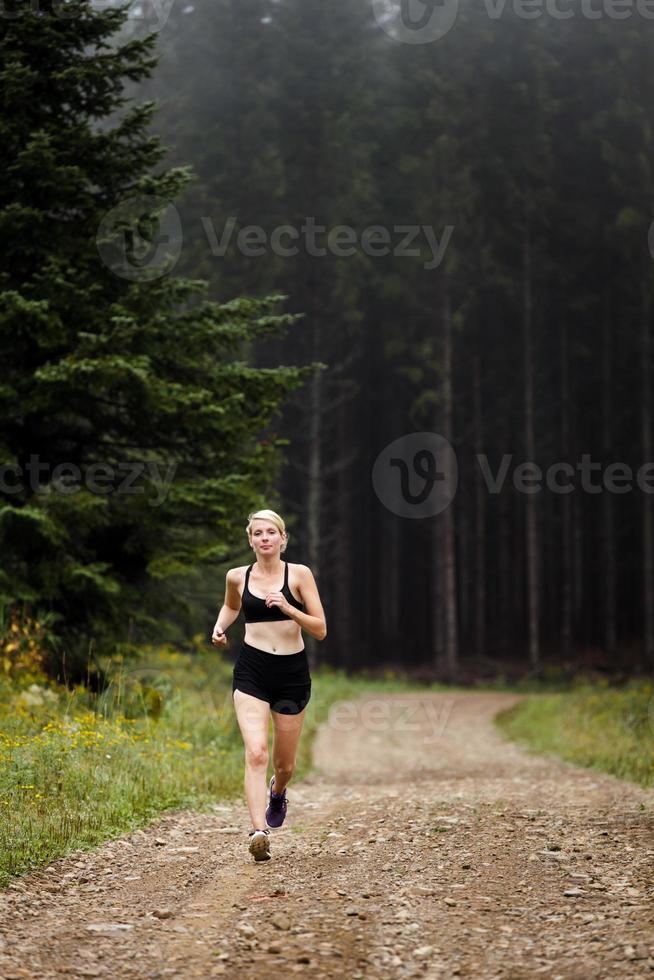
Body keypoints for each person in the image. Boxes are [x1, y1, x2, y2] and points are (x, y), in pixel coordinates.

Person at [211, 509, 327, 862]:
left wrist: (289, 608)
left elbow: (320, 629)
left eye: (270, 533)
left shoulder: (299, 575)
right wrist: (219, 627)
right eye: (257, 533)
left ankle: (278, 793)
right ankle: (258, 830)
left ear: (282, 539)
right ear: (250, 540)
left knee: (285, 765)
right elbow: (231, 606)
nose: (264, 538)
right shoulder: (237, 576)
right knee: (256, 751)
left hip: (291, 673)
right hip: (252, 671)